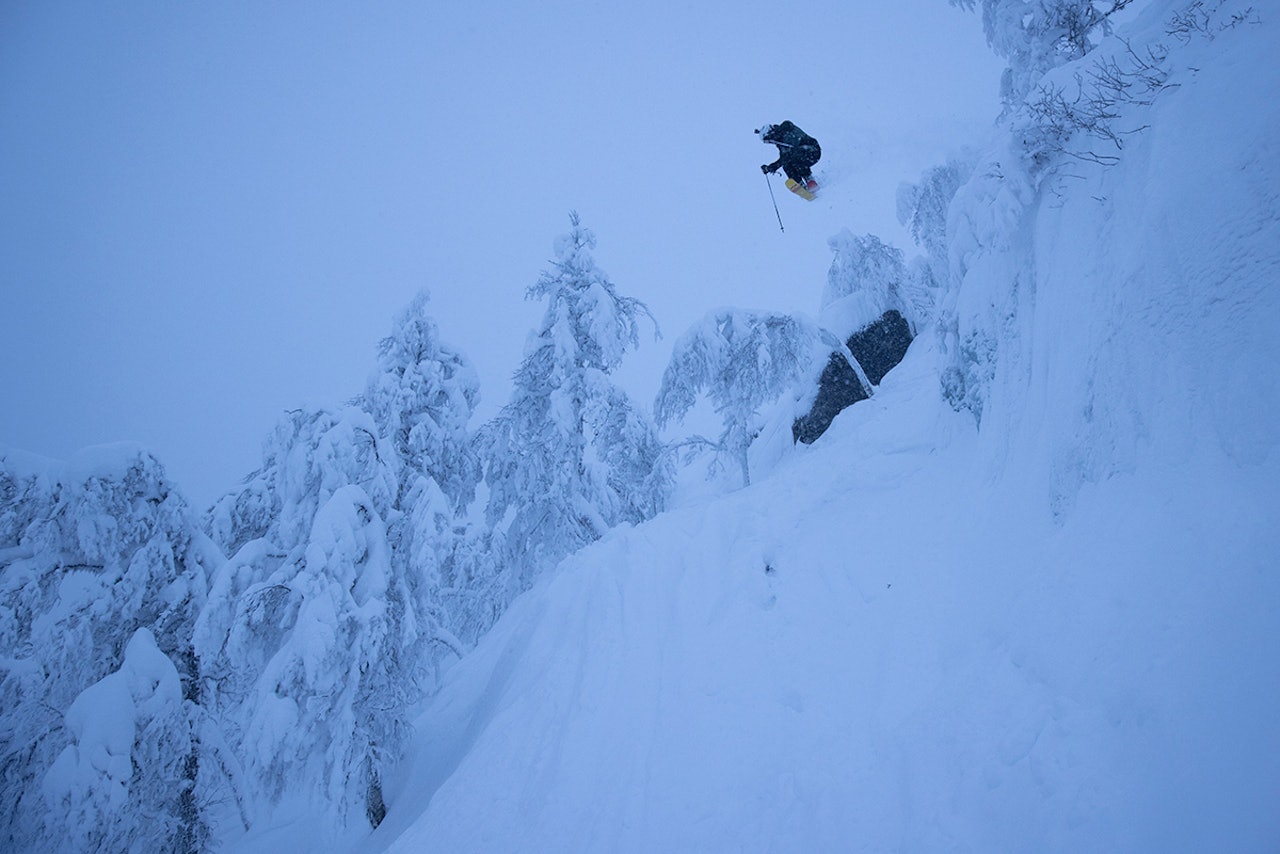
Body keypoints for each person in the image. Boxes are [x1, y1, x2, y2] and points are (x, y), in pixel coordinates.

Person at [757, 121, 821, 188]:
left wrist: (773, 167)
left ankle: (809, 180)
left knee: (795, 157)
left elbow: (788, 154)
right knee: (787, 165)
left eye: (769, 141)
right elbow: (784, 158)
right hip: (803, 154)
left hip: (812, 151)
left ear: (771, 134)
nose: (771, 142)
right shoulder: (780, 142)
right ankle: (800, 185)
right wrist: (770, 167)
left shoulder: (786, 132)